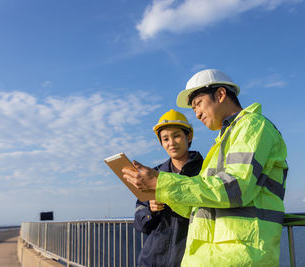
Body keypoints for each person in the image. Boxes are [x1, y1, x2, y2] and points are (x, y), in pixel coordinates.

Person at [123, 69, 288, 266]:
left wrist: (162, 182)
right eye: (193, 109)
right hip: (211, 258)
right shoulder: (222, 141)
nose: (197, 113)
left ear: (220, 94)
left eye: (198, 104)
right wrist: (158, 190)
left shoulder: (252, 126)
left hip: (239, 257)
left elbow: (234, 188)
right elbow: (198, 207)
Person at [134, 109, 203, 267]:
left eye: (177, 136)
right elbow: (139, 223)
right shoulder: (154, 174)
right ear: (161, 143)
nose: (171, 143)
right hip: (151, 260)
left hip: (189, 260)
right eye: (165, 139)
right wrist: (151, 210)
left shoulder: (206, 171)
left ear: (189, 136)